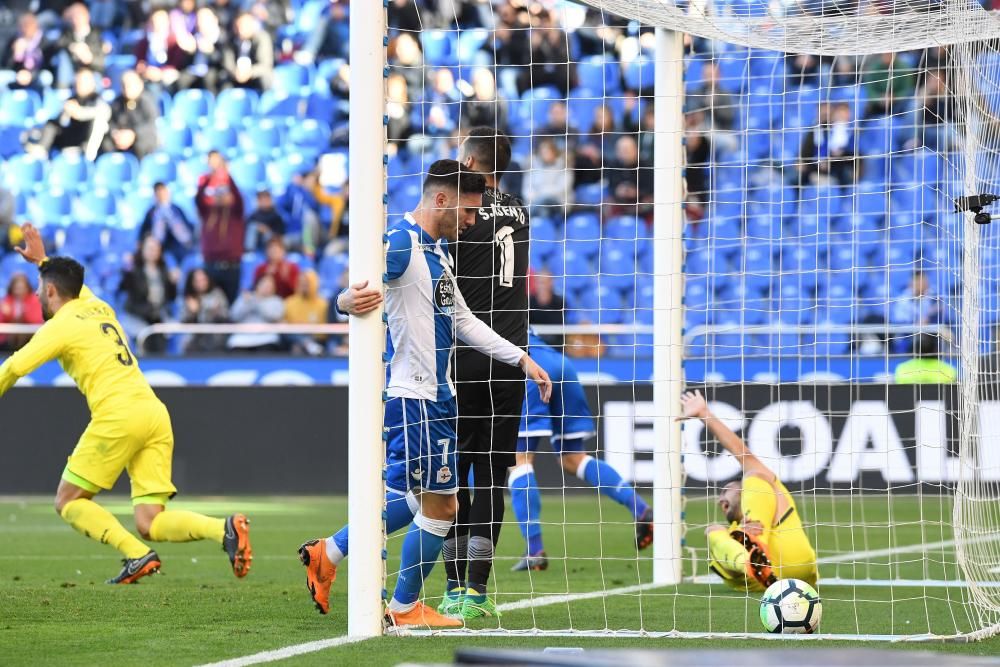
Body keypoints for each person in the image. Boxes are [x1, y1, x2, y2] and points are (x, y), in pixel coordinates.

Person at [297, 160, 552, 628]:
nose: (474, 222)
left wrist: (521, 358)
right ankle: (403, 605)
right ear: (441, 200)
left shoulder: (439, 253)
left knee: (416, 501)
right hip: (415, 396)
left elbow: (462, 321)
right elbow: (358, 288)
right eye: (470, 212)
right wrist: (342, 302)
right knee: (444, 504)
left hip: (438, 395)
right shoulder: (401, 242)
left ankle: (328, 553)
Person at [0, 224, 252, 584]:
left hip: (118, 416)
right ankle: (224, 529)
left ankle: (136, 555)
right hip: (152, 412)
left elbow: (11, 367)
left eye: (42, 288)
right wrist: (42, 261)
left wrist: (44, 264)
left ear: (51, 291)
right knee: (150, 521)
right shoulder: (96, 305)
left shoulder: (59, 326)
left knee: (68, 501)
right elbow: (70, 284)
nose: (39, 294)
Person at [439, 128, 532, 620]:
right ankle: (477, 591)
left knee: (455, 473)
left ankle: (453, 587)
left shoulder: (461, 216)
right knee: (493, 474)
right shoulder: (520, 211)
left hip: (467, 354)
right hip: (511, 358)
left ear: (471, 162)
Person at [509, 329, 654, 571]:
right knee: (572, 459)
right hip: (560, 363)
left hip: (528, 365)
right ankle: (641, 509)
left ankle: (535, 550)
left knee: (519, 459)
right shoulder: (506, 295)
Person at [677, 389, 819, 591]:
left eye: (726, 491)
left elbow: (744, 455)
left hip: (793, 563)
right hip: (760, 581)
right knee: (713, 531)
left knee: (754, 476)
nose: (720, 501)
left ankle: (755, 547)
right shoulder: (732, 533)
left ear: (743, 493)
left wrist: (704, 414)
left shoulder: (767, 489)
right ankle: (751, 561)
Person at [27, 67, 109, 160]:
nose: (79, 85)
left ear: (92, 84)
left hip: (85, 141)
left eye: (83, 82)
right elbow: (62, 122)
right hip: (69, 138)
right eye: (77, 81)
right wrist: (66, 112)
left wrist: (79, 112)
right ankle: (40, 152)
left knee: (97, 123)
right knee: (51, 124)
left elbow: (103, 112)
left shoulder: (97, 100)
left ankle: (88, 159)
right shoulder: (71, 100)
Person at [196, 151, 245, 304]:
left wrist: (225, 173)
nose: (221, 196)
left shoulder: (235, 212)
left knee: (231, 306)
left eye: (224, 193)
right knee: (210, 305)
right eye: (218, 193)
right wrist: (212, 175)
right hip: (211, 265)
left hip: (232, 266)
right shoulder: (208, 212)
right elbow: (198, 198)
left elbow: (237, 197)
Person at [117, 235, 178, 352]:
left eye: (156, 249)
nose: (152, 252)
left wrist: (173, 283)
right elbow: (124, 288)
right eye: (149, 248)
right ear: (143, 249)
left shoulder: (164, 271)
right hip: (137, 316)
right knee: (143, 336)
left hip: (159, 317)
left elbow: (171, 297)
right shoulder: (134, 270)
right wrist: (126, 270)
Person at [103, 69, 159, 159]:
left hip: (141, 138)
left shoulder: (147, 101)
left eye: (130, 84)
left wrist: (133, 135)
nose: (127, 88)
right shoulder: (118, 102)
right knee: (106, 143)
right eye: (124, 85)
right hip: (122, 138)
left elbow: (150, 124)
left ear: (140, 85)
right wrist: (116, 134)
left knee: (143, 144)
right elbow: (111, 122)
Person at [139, 182, 196, 265]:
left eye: (163, 192)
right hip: (161, 250)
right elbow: (144, 232)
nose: (161, 196)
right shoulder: (151, 212)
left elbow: (187, 231)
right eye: (158, 193)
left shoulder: (176, 210)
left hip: (180, 247)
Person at [226, 274, 284, 352]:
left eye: (270, 286)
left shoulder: (276, 301)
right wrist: (245, 304)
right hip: (242, 337)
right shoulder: (245, 298)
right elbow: (234, 316)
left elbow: (275, 317)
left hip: (266, 338)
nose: (268, 288)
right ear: (257, 285)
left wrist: (256, 302)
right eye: (265, 285)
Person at [181, 268, 230, 353]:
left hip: (215, 338)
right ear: (192, 282)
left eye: (203, 280)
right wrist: (193, 313)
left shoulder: (217, 294)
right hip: (194, 340)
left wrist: (216, 313)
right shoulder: (189, 298)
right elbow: (183, 323)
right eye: (197, 281)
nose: (201, 283)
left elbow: (226, 316)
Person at [222, 12, 274, 92]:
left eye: (243, 26)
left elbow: (265, 64)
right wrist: (235, 72)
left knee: (265, 79)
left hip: (254, 75)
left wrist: (249, 73)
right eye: (238, 26)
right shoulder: (231, 40)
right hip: (236, 75)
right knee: (223, 79)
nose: (240, 30)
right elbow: (228, 62)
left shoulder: (262, 38)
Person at [283, 270, 328, 356]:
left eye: (307, 282)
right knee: (295, 342)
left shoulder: (322, 304)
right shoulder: (289, 302)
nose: (303, 285)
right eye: (301, 282)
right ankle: (307, 344)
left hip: (315, 338)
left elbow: (323, 331)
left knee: (299, 345)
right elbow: (285, 325)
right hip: (294, 337)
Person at [3, 12, 49, 91]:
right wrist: (15, 54)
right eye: (23, 26)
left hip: (36, 73)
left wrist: (31, 74)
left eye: (28, 26)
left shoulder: (44, 42)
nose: (26, 30)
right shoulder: (15, 40)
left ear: (35, 26)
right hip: (17, 73)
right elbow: (6, 64)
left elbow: (47, 65)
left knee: (46, 77)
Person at [0, 272, 44, 351]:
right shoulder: (6, 300)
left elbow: (36, 320)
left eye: (22, 288)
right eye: (16, 288)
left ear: (27, 288)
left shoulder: (34, 300)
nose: (19, 291)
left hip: (30, 337)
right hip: (8, 340)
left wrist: (24, 312)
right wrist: (6, 314)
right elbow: (2, 322)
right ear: (12, 288)